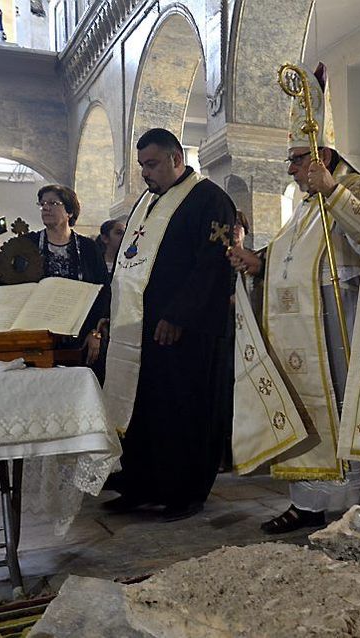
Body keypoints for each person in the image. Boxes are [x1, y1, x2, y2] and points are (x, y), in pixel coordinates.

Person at [229, 64, 360, 531]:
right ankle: (311, 502)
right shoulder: (303, 207)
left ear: (323, 153)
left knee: (352, 405)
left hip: (349, 319)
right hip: (307, 328)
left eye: (297, 159)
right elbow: (287, 255)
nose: (292, 169)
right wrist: (258, 263)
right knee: (318, 409)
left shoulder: (355, 189)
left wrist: (333, 191)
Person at [101, 128, 236, 522]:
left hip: (184, 331)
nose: (146, 173)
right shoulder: (146, 201)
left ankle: (186, 491)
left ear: (177, 159)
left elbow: (212, 266)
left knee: (184, 410)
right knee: (143, 409)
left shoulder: (210, 200)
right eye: (142, 165)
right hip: (140, 329)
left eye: (153, 164)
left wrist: (180, 315)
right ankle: (141, 485)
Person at [0, 184, 108, 358]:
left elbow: (103, 292)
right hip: (35, 337)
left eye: (53, 203)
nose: (46, 208)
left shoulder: (88, 248)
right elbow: (4, 288)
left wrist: (95, 332)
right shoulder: (26, 244)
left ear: (69, 212)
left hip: (80, 336)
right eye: (42, 204)